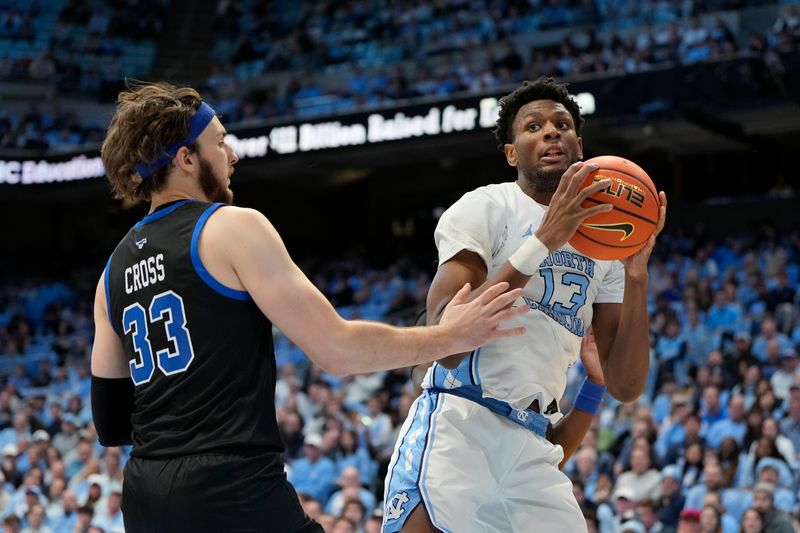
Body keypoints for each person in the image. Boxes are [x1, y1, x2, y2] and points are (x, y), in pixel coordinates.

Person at [89, 81, 529, 533]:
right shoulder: (230, 227)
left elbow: (111, 422)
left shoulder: (111, 273)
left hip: (144, 497)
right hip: (229, 487)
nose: (232, 155)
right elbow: (338, 351)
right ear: (186, 159)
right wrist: (450, 336)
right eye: (219, 142)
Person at [383, 76, 667, 533]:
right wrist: (543, 242)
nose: (551, 131)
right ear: (512, 153)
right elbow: (445, 343)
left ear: (580, 145)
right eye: (533, 126)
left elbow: (627, 385)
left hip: (536, 442)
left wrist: (636, 276)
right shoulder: (485, 209)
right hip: (461, 422)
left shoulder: (606, 249)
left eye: (562, 124)